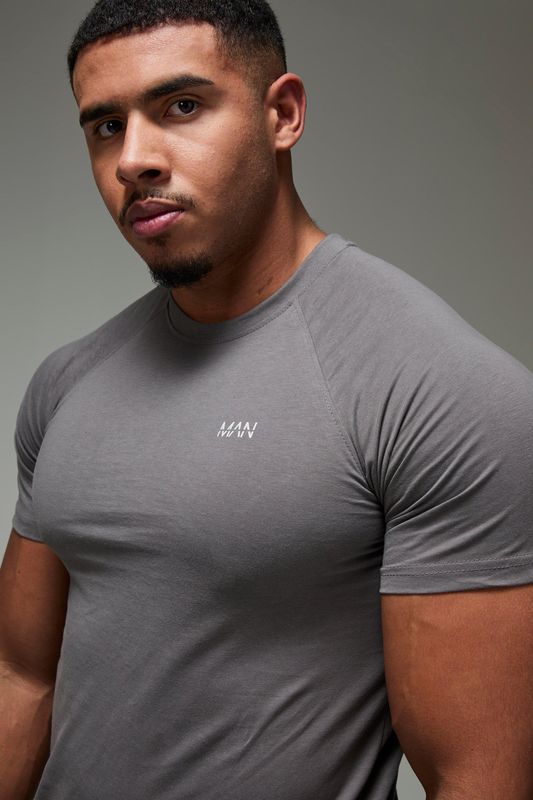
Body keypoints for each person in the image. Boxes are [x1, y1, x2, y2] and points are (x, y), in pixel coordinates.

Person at [1, 1, 532, 798]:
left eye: (181, 106)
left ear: (281, 115)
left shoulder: (439, 390)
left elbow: (475, 778)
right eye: (106, 126)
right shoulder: (67, 382)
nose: (133, 159)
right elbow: (20, 675)